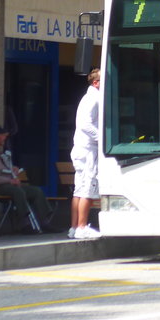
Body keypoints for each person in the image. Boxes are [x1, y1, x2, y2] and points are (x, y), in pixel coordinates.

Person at [0, 123, 56, 234]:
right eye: (2, 135)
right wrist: (9, 180)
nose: (5, 138)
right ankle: (24, 223)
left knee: (35, 191)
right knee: (17, 191)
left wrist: (12, 170)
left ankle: (45, 222)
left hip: (6, 186)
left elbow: (2, 171)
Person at [70, 68, 103, 239]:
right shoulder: (94, 98)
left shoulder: (87, 97)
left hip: (80, 148)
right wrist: (102, 138)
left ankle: (74, 227)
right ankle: (82, 227)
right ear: (96, 82)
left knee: (79, 189)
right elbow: (86, 124)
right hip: (88, 149)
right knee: (88, 190)